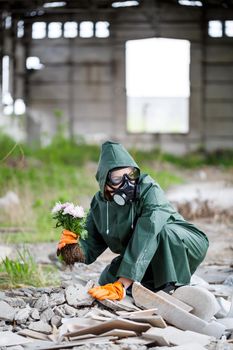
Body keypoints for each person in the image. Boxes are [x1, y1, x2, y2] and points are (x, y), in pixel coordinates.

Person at [57, 140, 209, 301]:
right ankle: (150, 285)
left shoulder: (150, 191)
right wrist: (72, 248)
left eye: (131, 176)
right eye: (117, 179)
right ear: (104, 182)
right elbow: (91, 244)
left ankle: (173, 288)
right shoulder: (100, 203)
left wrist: (123, 284)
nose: (128, 183)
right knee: (107, 278)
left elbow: (148, 232)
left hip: (184, 244)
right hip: (148, 253)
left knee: (163, 232)